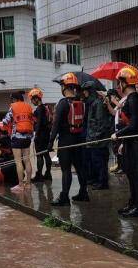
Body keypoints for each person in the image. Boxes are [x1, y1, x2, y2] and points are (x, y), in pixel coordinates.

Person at [47, 73, 88, 206]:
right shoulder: (81, 102)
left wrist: (50, 142)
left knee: (66, 170)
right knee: (80, 168)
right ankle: (83, 193)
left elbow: (55, 125)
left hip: (66, 141)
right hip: (79, 140)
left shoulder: (62, 104)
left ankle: (64, 197)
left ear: (64, 87)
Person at [112, 66, 138, 217]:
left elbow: (133, 125)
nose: (118, 86)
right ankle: (133, 202)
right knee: (131, 173)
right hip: (130, 141)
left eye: (119, 82)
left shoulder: (133, 99)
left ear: (125, 83)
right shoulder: (131, 99)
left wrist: (118, 134)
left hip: (136, 141)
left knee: (136, 174)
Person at [82, 81, 113, 190]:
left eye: (85, 91)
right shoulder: (93, 103)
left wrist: (94, 138)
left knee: (100, 163)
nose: (84, 93)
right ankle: (99, 181)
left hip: (99, 141)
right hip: (94, 140)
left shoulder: (97, 103)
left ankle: (102, 183)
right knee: (96, 162)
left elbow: (100, 123)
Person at [2, 92, 35, 193]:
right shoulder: (29, 106)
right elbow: (32, 120)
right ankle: (28, 184)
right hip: (28, 137)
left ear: (15, 99)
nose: (11, 101)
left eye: (12, 99)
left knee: (18, 161)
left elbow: (6, 121)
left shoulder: (13, 107)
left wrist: (4, 122)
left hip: (17, 137)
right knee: (27, 160)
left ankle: (21, 185)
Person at [29, 88, 53, 183]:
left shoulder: (39, 109)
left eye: (32, 100)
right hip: (47, 134)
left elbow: (38, 123)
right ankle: (48, 173)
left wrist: (36, 135)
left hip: (40, 135)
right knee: (46, 155)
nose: (32, 102)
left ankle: (39, 176)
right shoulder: (45, 108)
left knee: (39, 156)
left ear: (36, 98)